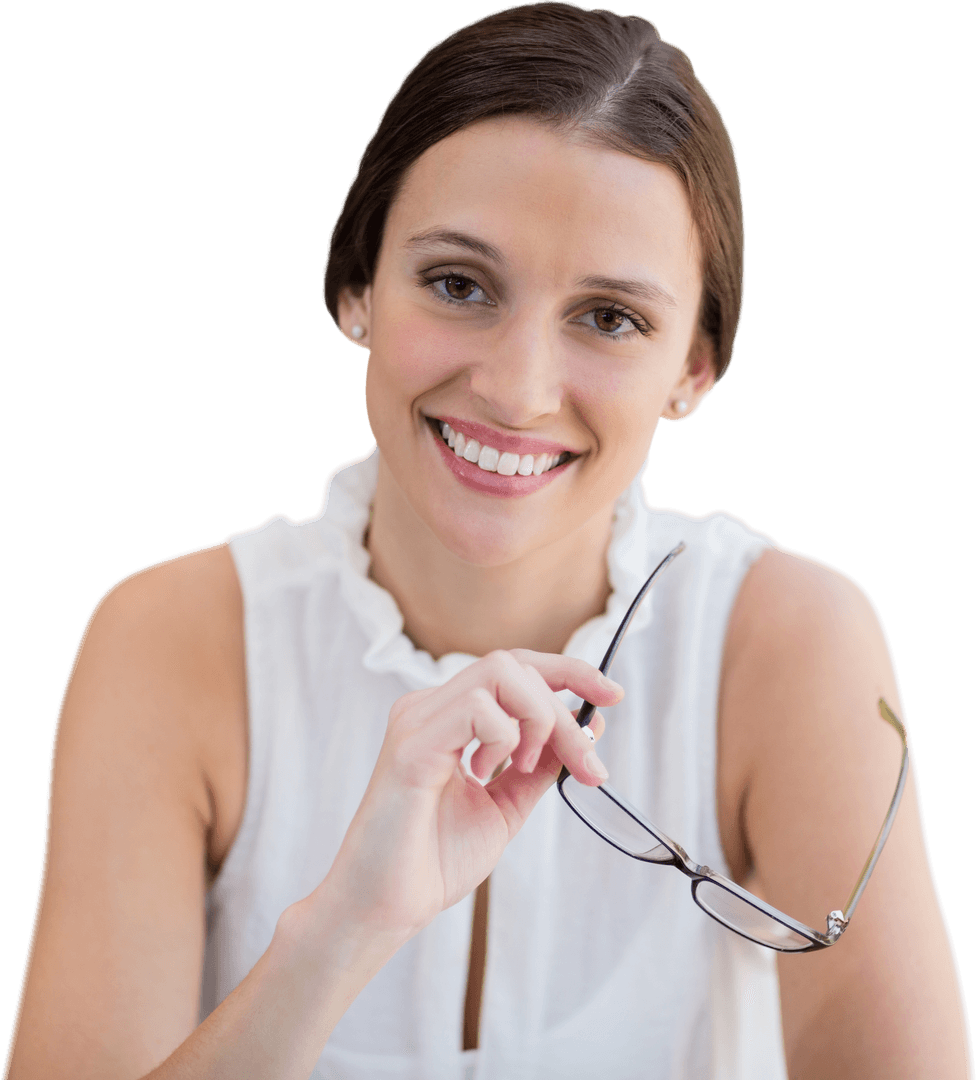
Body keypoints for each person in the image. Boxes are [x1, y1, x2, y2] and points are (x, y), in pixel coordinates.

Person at [4, 3, 972, 1078]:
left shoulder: (792, 641)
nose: (515, 389)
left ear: (694, 369)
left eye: (609, 317)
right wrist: (340, 932)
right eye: (458, 285)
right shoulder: (169, 639)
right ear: (356, 286)